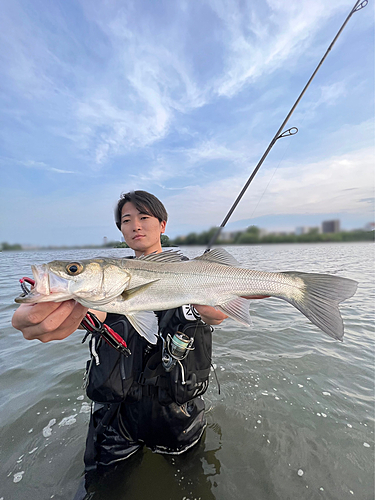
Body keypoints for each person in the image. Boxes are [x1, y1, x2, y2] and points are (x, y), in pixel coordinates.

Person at [12, 190, 228, 485]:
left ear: (162, 225)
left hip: (178, 411)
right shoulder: (108, 280)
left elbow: (218, 314)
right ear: (121, 230)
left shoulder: (194, 271)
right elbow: (92, 315)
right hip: (117, 415)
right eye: (126, 220)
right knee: (103, 487)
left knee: (193, 483)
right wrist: (53, 318)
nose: (135, 225)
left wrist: (213, 312)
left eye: (144, 217)